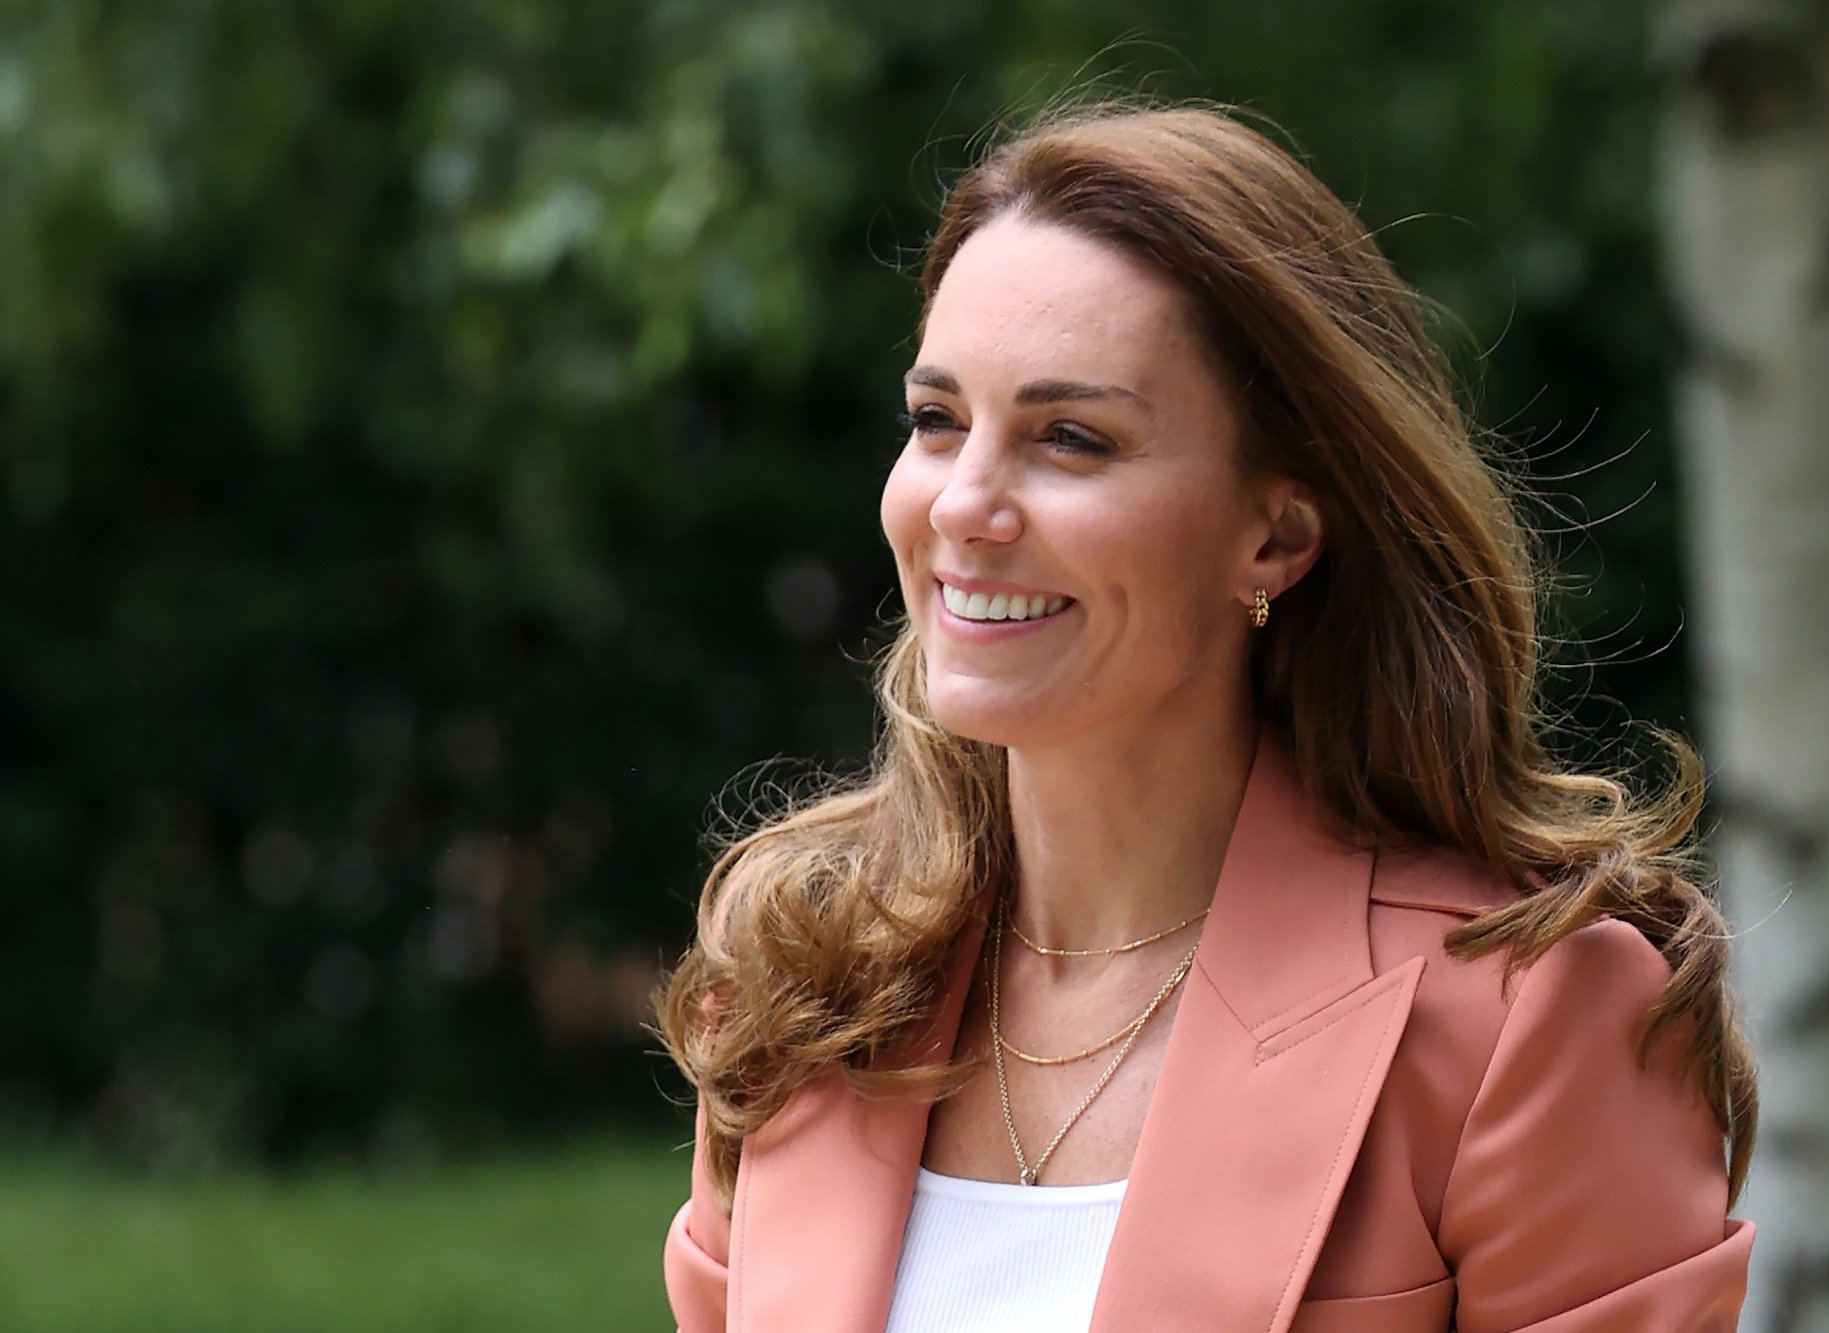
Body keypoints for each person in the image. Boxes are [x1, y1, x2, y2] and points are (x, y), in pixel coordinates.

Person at [654, 98, 1756, 1332]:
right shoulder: (802, 976)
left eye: (1069, 438)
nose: (964, 503)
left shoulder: (1523, 1017)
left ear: (1274, 536)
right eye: (936, 420)